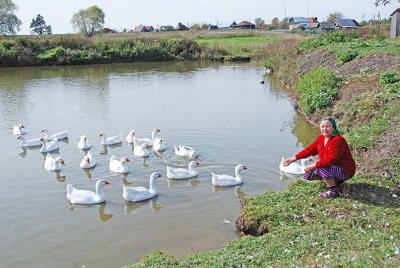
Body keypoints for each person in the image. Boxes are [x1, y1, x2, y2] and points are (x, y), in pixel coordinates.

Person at [283, 116, 356, 198]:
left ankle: (333, 192)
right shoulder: (321, 139)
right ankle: (334, 182)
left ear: (333, 128)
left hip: (345, 170)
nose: (324, 129)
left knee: (322, 167)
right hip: (334, 168)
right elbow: (309, 150)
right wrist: (293, 159)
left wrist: (312, 166)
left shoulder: (338, 140)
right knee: (308, 175)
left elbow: (330, 160)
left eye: (327, 126)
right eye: (322, 126)